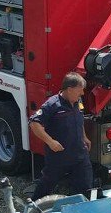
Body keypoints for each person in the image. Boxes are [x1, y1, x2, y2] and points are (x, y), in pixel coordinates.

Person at [30, 72, 93, 200]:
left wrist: (84, 137)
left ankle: (83, 212)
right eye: (80, 91)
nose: (82, 94)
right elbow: (34, 123)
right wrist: (50, 141)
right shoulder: (52, 104)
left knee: (86, 187)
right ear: (69, 89)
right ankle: (32, 209)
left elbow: (79, 119)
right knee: (47, 184)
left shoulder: (77, 101)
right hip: (59, 156)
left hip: (80, 155)